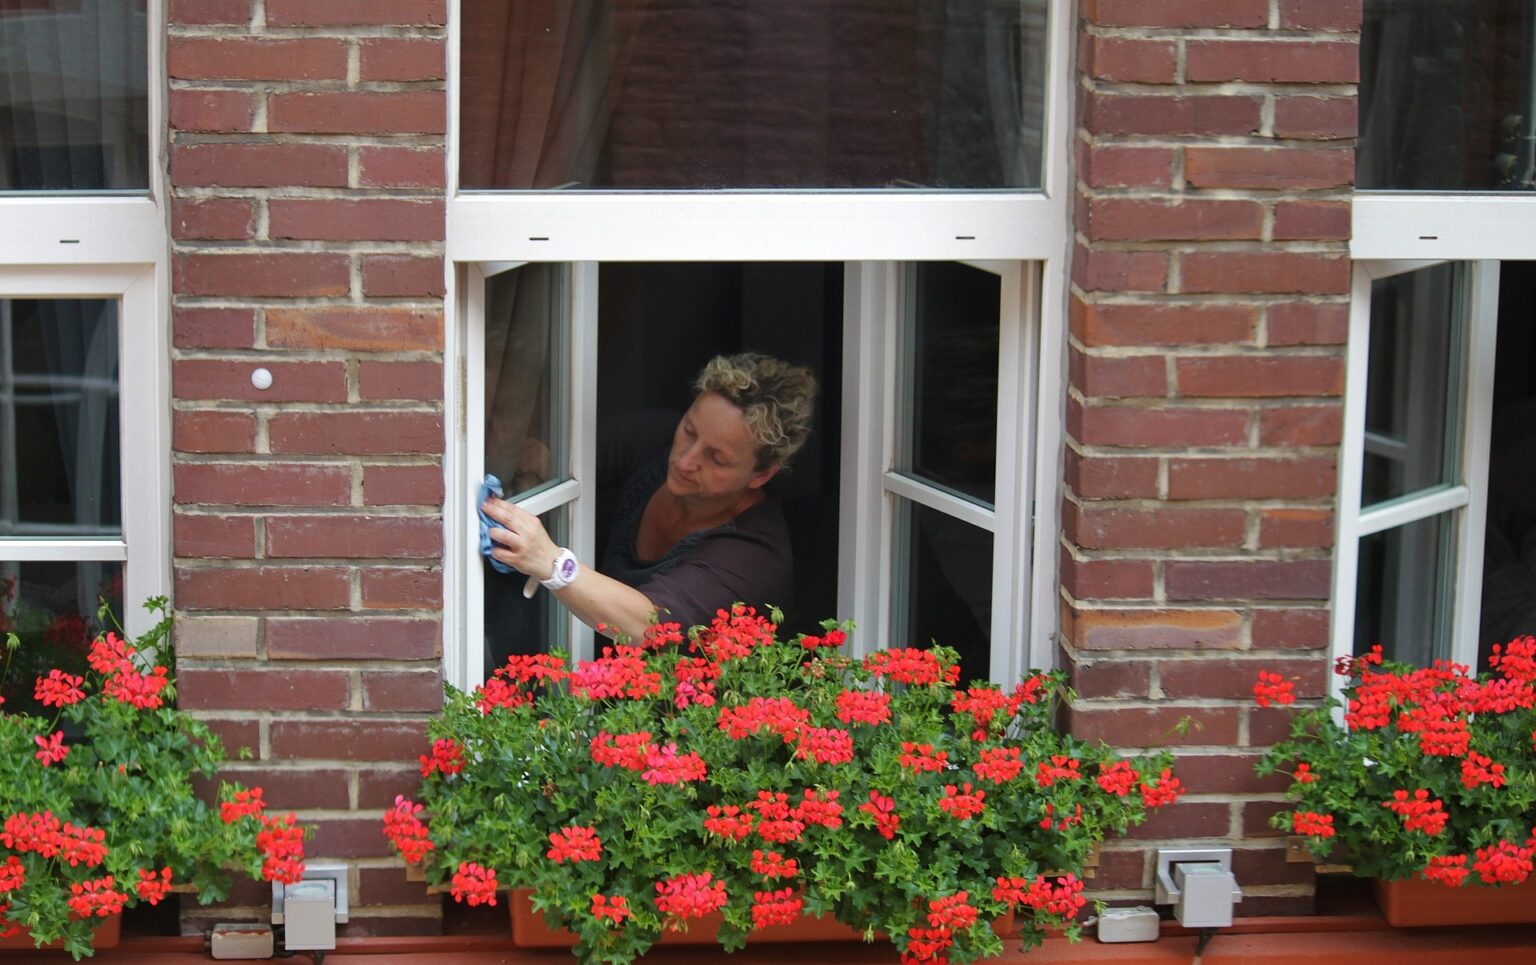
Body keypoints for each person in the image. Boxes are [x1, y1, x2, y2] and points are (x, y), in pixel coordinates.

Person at [481, 352, 815, 641]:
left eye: (716, 458)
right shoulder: (657, 440)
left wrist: (551, 563)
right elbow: (545, 458)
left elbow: (649, 626)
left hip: (675, 711)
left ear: (761, 475)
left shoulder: (754, 557)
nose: (685, 460)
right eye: (689, 431)